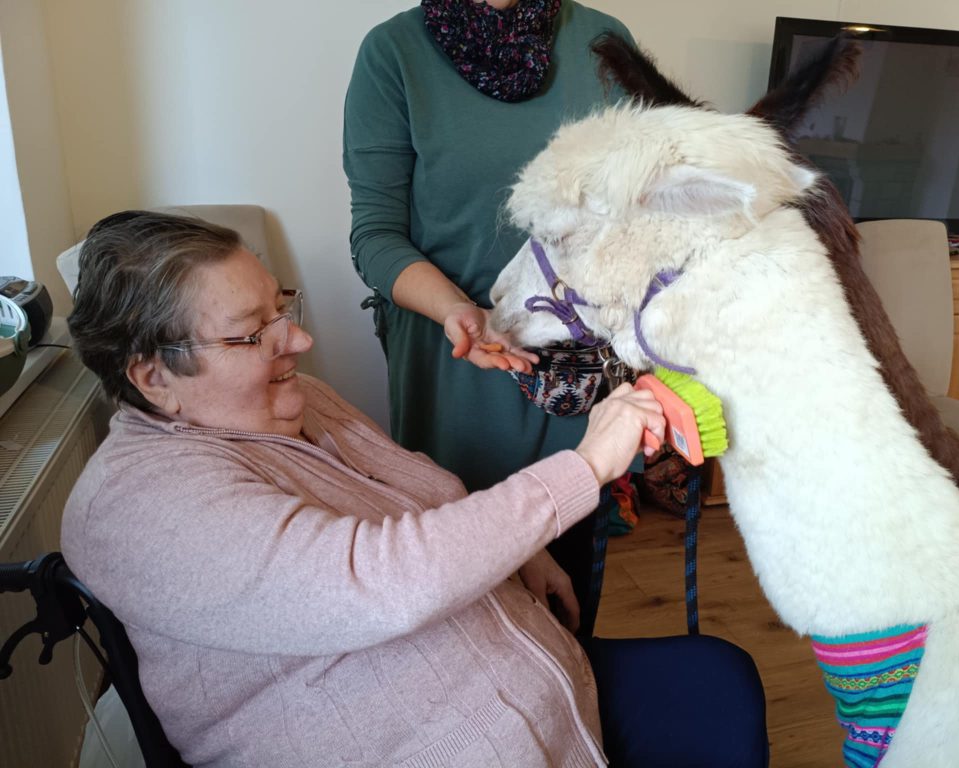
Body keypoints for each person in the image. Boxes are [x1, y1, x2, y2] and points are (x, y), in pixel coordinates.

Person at [61, 211, 666, 767]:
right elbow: (378, 581)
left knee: (712, 675)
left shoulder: (299, 400)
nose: (299, 341)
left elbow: (424, 489)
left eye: (281, 308)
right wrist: (585, 466)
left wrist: (519, 549)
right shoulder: (133, 505)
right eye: (251, 333)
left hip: (550, 706)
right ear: (153, 377)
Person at [344, 0, 637, 636]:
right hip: (458, 355)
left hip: (575, 361)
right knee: (464, 596)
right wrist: (456, 308)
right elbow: (375, 235)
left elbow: (638, 208)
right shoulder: (394, 53)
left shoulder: (602, 40)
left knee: (568, 591)